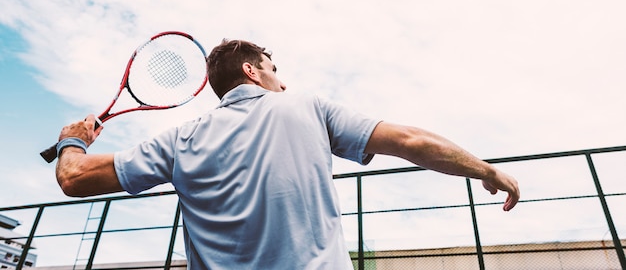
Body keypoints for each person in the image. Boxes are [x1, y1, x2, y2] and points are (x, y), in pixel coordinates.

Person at [55, 39, 520, 269]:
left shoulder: (179, 140)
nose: (284, 81)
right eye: (276, 70)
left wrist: (72, 140)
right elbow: (411, 141)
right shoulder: (308, 107)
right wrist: (483, 169)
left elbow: (73, 179)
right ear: (251, 71)